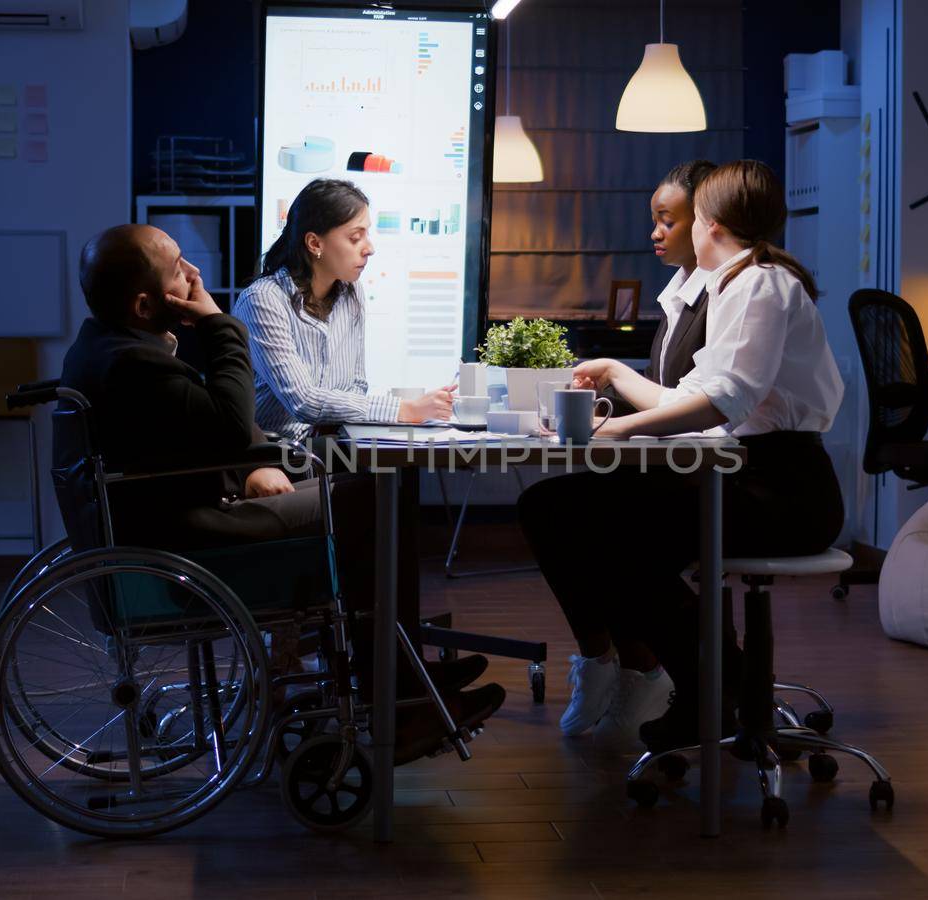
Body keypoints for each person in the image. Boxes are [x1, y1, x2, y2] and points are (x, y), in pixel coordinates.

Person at [59, 223, 503, 763]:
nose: (194, 275)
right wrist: (222, 326)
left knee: (375, 489)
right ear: (146, 303)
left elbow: (181, 434)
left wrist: (247, 469)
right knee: (372, 498)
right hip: (192, 535)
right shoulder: (132, 361)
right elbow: (225, 421)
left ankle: (401, 673)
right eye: (179, 267)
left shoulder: (107, 347)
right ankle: (402, 698)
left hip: (184, 511)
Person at [518, 160, 846, 753]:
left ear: (710, 223)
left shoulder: (760, 285)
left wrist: (616, 433)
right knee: (571, 512)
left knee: (610, 533)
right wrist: (617, 383)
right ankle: (719, 685)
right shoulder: (741, 284)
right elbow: (691, 398)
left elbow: (723, 400)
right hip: (748, 477)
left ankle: (713, 689)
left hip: (782, 491)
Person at [547, 160, 719, 745]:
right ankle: (601, 658)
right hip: (670, 468)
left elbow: (694, 406)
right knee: (545, 507)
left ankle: (645, 669)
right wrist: (603, 411)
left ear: (705, 223)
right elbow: (662, 397)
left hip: (706, 476)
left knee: (591, 518)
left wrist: (617, 418)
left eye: (665, 220)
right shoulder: (677, 298)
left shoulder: (725, 299)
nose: (654, 232)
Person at [236, 179, 455, 440]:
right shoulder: (263, 300)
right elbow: (303, 401)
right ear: (315, 244)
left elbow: (356, 384)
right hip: (275, 457)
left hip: (329, 445)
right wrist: (405, 409)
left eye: (367, 234)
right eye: (355, 238)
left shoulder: (351, 292)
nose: (369, 249)